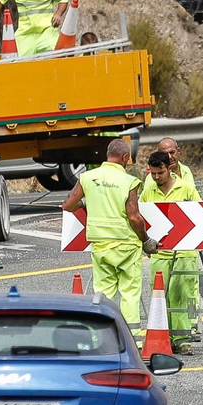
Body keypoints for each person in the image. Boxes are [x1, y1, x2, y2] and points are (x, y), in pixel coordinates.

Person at [62, 138, 147, 332]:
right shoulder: (129, 181)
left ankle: (101, 336)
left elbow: (68, 205)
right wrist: (146, 239)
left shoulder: (88, 178)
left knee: (103, 293)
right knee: (129, 293)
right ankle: (132, 337)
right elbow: (134, 217)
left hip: (100, 245)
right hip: (127, 245)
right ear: (125, 157)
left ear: (107, 155)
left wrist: (84, 202)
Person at [139, 150, 203, 354]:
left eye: (161, 173)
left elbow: (201, 214)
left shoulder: (187, 188)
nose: (157, 177)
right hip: (160, 252)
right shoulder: (148, 191)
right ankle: (162, 339)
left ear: (170, 168)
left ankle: (182, 340)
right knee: (159, 295)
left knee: (180, 294)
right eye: (153, 174)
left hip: (184, 252)